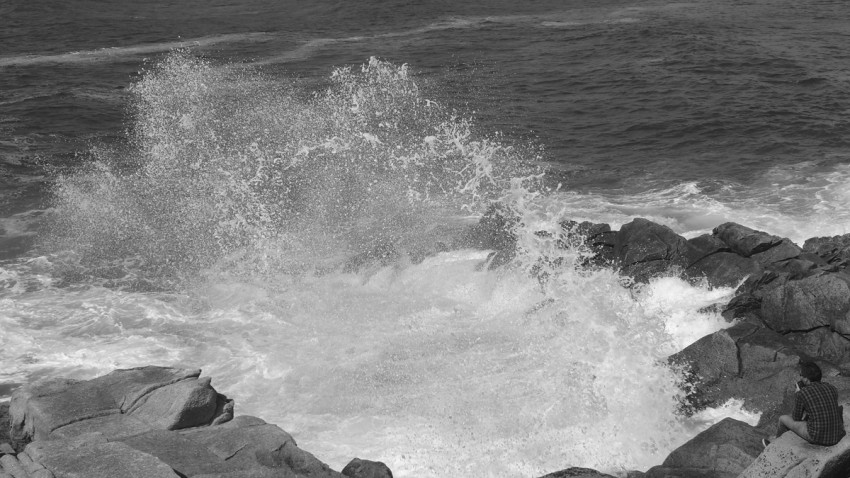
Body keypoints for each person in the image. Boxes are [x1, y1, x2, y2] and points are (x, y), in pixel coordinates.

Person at [763, 361, 846, 448]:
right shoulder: (832, 388)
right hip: (836, 435)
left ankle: (773, 447)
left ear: (806, 379)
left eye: (801, 375)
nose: (800, 377)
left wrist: (798, 394)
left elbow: (796, 417)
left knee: (783, 419)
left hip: (817, 437)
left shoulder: (802, 393)